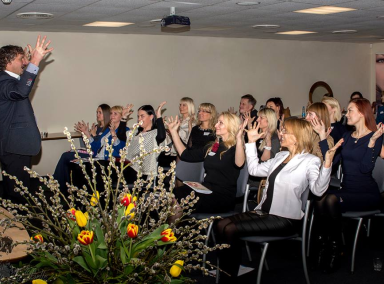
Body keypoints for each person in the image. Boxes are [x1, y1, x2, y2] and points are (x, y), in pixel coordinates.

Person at [215, 118, 341, 283]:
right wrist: (251, 143)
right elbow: (254, 170)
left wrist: (327, 164)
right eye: (281, 130)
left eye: (285, 131)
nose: (280, 134)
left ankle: (228, 278)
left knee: (230, 229)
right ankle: (226, 272)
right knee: (220, 224)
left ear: (297, 136)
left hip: (285, 220)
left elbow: (318, 190)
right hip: (264, 212)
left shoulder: (311, 161)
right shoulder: (281, 156)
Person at [314, 98, 383, 273]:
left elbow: (365, 168)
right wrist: (323, 137)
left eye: (350, 110)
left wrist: (372, 143)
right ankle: (325, 244)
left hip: (366, 193)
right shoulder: (346, 136)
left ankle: (336, 248)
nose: (346, 114)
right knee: (321, 198)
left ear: (361, 113)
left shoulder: (375, 136)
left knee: (330, 199)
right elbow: (332, 160)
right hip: (347, 190)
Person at [0, 35, 53, 203]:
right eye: (20, 59)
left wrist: (29, 63)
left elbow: (22, 86)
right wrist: (35, 61)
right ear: (8, 62)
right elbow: (21, 91)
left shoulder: (9, 80)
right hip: (14, 147)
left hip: (16, 146)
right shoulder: (3, 81)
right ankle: (18, 226)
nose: (24, 62)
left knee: (17, 189)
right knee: (19, 194)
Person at [166, 112, 246, 214]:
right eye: (217, 122)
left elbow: (239, 164)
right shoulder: (212, 147)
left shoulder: (236, 148)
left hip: (222, 196)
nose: (216, 125)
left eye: (220, 123)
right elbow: (185, 155)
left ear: (231, 126)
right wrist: (173, 133)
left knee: (179, 200)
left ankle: (173, 229)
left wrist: (239, 139)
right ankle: (171, 229)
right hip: (206, 189)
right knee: (172, 194)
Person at [53, 105, 128, 190]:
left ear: (121, 116)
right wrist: (87, 133)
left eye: (115, 113)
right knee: (70, 159)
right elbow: (95, 147)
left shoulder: (125, 130)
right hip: (97, 157)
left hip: (107, 161)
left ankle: (63, 187)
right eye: (111, 113)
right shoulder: (108, 130)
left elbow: (121, 150)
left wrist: (113, 133)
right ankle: (63, 188)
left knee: (71, 159)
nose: (112, 115)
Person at [116, 102, 166, 183]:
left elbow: (162, 136)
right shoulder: (135, 132)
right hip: (130, 168)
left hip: (143, 172)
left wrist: (159, 117)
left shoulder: (154, 133)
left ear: (151, 117)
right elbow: (121, 135)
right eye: (138, 116)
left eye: (142, 116)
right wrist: (124, 117)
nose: (139, 119)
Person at [163, 97, 196, 165]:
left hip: (184, 153)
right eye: (180, 105)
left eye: (184, 105)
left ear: (190, 107)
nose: (181, 107)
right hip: (172, 152)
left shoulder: (193, 122)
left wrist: (189, 124)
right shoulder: (177, 121)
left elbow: (191, 139)